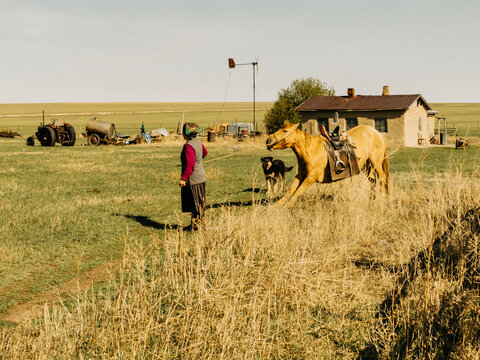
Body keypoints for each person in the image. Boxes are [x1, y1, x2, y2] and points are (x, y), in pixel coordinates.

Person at [179, 122, 207, 230]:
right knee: (199, 202)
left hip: (193, 179)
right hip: (201, 177)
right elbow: (205, 153)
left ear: (187, 134)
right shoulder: (198, 142)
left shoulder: (189, 146)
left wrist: (183, 178)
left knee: (196, 203)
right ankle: (196, 225)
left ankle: (198, 226)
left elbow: (190, 165)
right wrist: (198, 160)